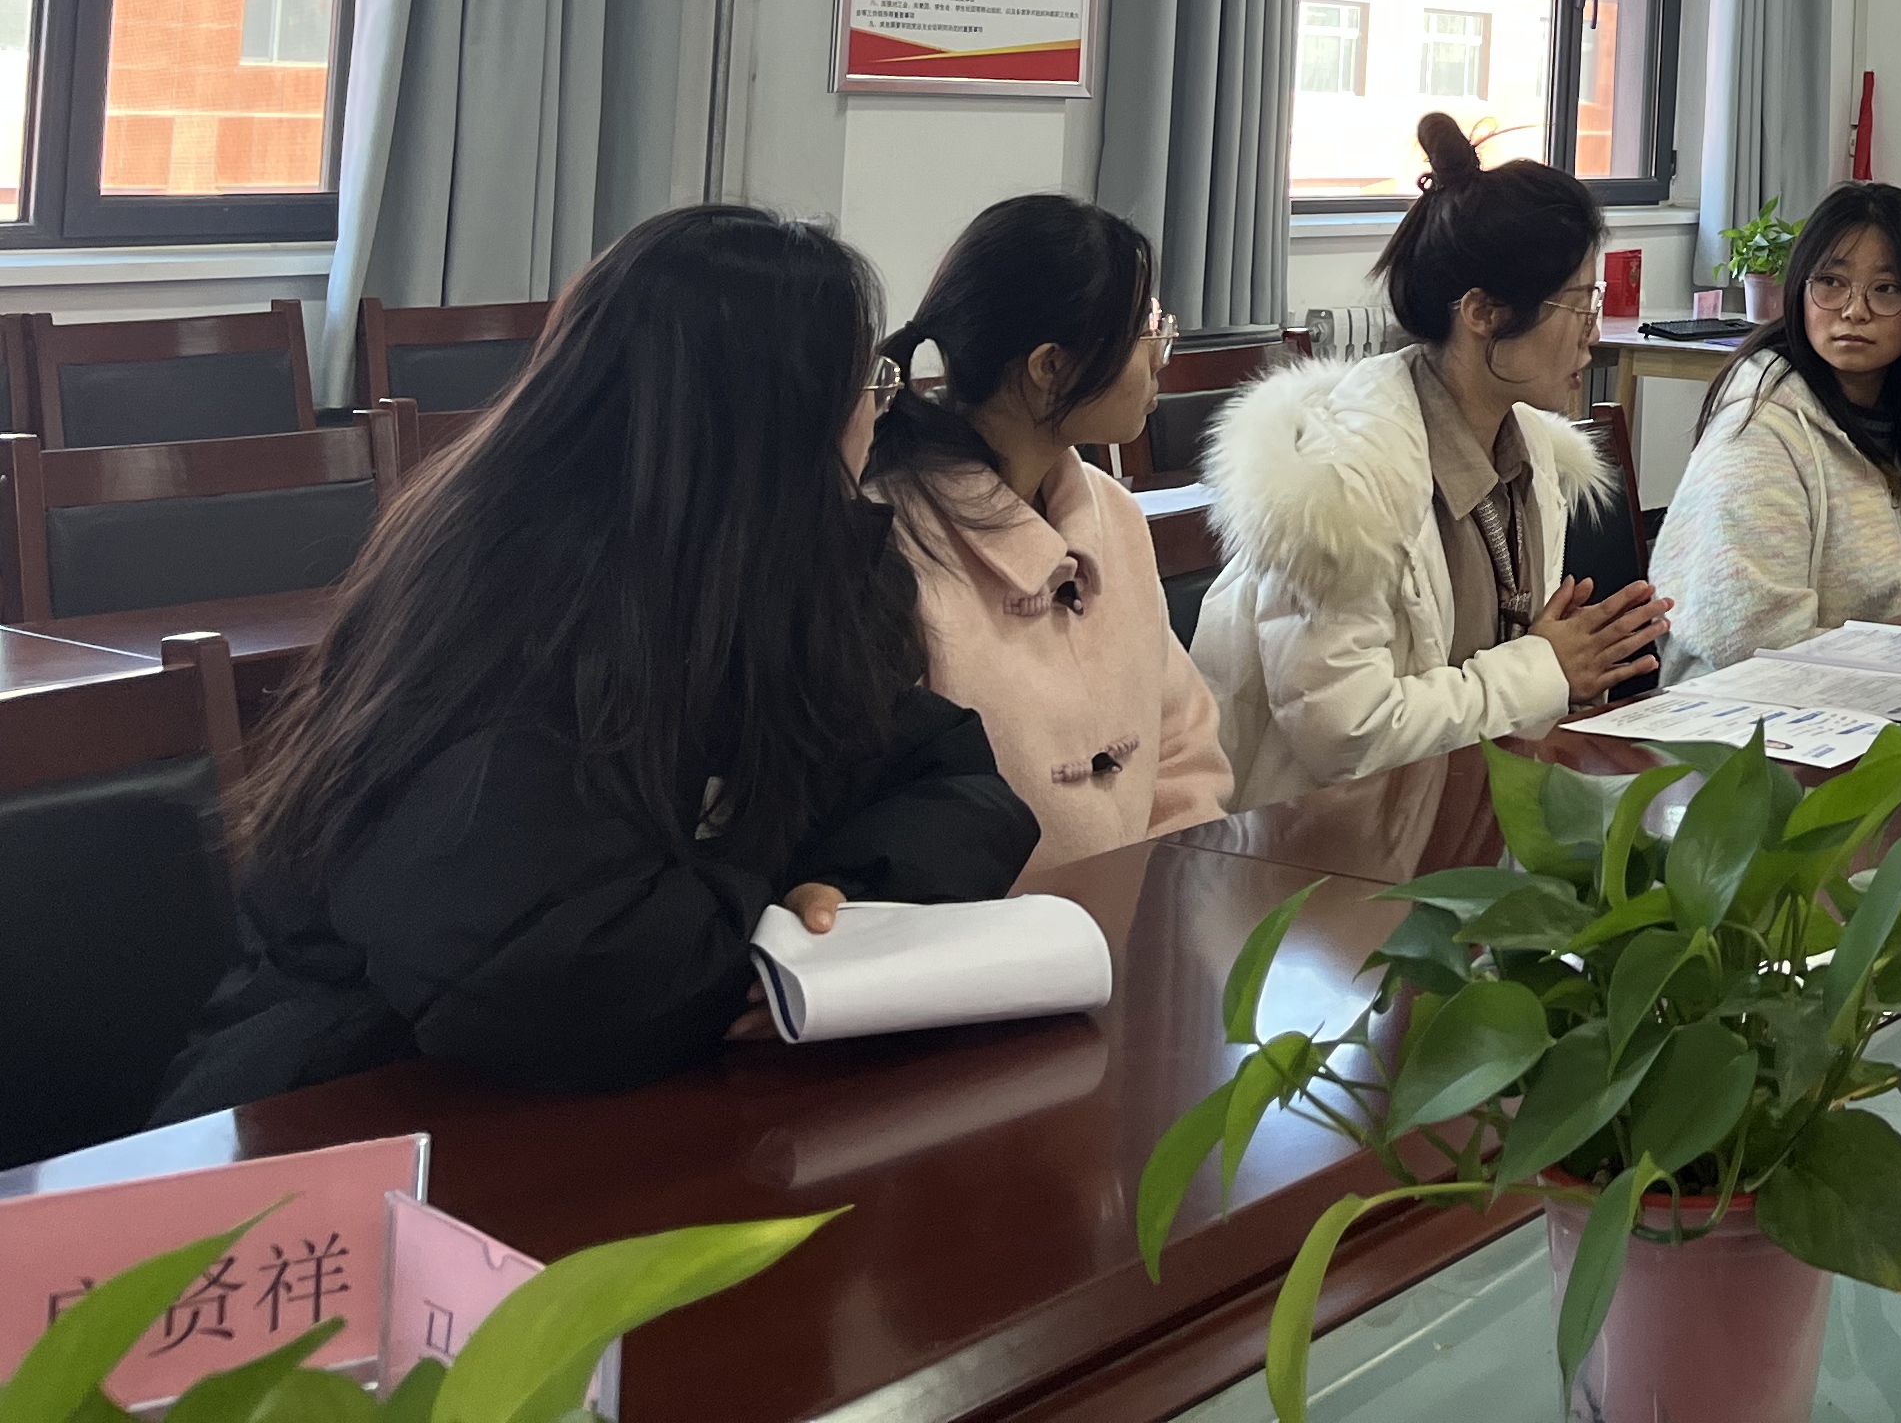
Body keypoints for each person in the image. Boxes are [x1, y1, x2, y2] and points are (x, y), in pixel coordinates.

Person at [155, 206, 1037, 1114]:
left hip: (626, 1089)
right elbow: (554, 977)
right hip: (347, 1106)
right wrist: (773, 931)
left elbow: (954, 784)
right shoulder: (511, 606)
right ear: (772, 420)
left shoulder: (798, 574)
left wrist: (838, 894)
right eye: (868, 382)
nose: (880, 413)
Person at [1193, 113, 1662, 797]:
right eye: (1578, 305)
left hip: (1461, 812)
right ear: (1483, 313)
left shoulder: (1531, 449)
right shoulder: (1342, 484)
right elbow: (1347, 735)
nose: (1592, 335)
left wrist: (1567, 675)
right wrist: (1547, 670)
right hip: (1314, 836)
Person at [865, 195, 1233, 876]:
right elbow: (896, 820)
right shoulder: (891, 543)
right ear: (1050, 367)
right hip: (985, 932)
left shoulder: (1112, 514)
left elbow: (1182, 742)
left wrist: (1159, 891)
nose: (1162, 357)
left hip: (1143, 906)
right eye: (1144, 330)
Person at [1653, 181, 1901, 682]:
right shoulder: (1757, 432)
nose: (1855, 310)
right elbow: (1746, 642)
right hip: (1753, 714)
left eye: (1886, 289)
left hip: (1899, 702)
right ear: (1800, 290)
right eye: (1831, 282)